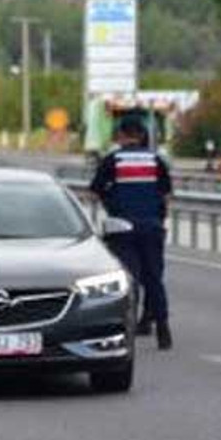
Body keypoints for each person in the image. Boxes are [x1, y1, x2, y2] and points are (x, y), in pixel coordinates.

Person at [90, 117, 174, 350]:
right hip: (152, 226)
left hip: (122, 228)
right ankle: (163, 329)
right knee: (154, 278)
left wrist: (111, 204)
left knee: (130, 279)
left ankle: (129, 327)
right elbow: (167, 195)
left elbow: (94, 193)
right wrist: (158, 217)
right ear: (142, 135)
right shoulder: (157, 160)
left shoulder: (112, 160)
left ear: (122, 135)